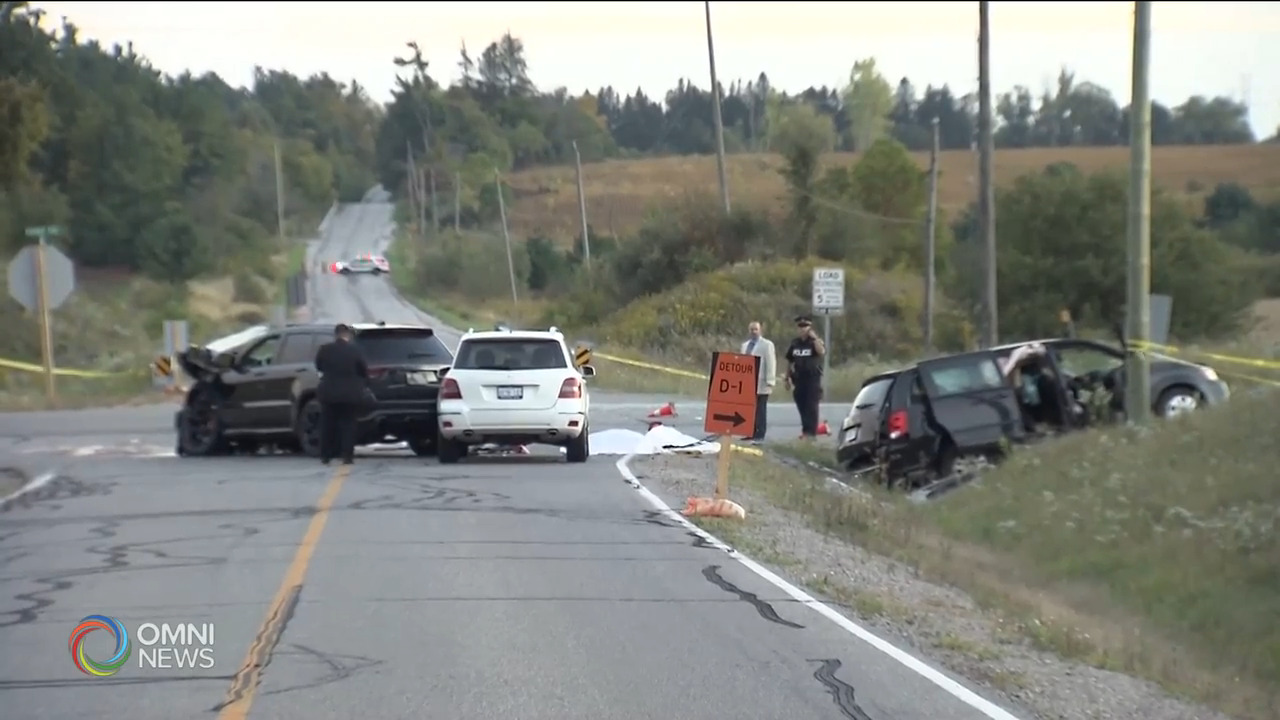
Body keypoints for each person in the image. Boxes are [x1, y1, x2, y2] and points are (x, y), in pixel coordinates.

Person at [313, 323, 368, 465]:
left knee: (327, 424)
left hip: (329, 393)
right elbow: (363, 370)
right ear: (347, 335)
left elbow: (319, 366)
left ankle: (325, 455)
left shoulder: (325, 349)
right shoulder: (355, 350)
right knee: (348, 425)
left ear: (335, 334)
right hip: (350, 394)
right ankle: (347, 456)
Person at [784, 315, 825, 439]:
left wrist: (815, 338)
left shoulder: (814, 342)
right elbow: (790, 360)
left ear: (810, 327)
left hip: (812, 379)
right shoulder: (795, 343)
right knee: (801, 404)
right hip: (798, 379)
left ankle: (811, 433)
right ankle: (806, 430)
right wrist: (787, 378)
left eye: (805, 326)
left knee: (811, 407)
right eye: (800, 326)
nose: (803, 329)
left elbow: (821, 352)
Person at [739, 321, 777, 443]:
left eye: (756, 329)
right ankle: (750, 432)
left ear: (760, 330)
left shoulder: (767, 345)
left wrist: (770, 380)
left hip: (762, 382)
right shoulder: (745, 346)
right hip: (748, 382)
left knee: (760, 410)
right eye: (752, 329)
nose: (754, 332)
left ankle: (760, 434)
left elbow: (771, 363)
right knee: (750, 409)